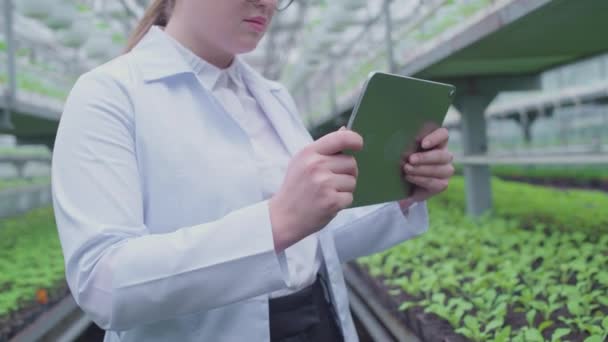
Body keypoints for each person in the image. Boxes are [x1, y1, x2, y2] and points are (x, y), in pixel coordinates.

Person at [51, 0, 455, 341]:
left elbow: (310, 244)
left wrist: (401, 192)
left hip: (319, 319)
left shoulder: (273, 97)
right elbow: (102, 282)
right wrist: (275, 222)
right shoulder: (108, 95)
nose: (269, 2)